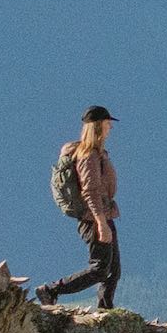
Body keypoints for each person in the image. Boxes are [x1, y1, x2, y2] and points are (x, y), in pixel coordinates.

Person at [38, 105, 122, 311]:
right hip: (94, 218)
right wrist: (101, 224)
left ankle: (105, 309)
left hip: (103, 214)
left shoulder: (97, 153)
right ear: (98, 126)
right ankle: (51, 290)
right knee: (100, 269)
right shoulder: (88, 155)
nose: (110, 126)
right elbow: (90, 191)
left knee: (112, 270)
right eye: (107, 122)